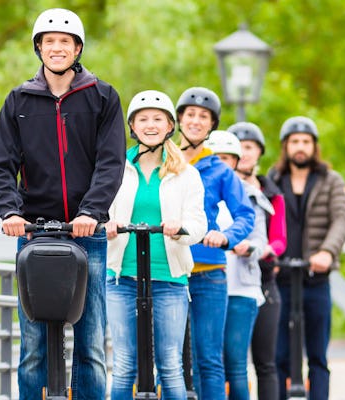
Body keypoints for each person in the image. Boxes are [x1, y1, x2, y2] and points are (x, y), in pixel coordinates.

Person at [0, 8, 126, 399]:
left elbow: (111, 163)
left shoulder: (103, 97)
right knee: (33, 346)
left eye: (65, 42)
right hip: (33, 234)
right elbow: (1, 166)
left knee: (92, 346)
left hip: (88, 234)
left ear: (77, 48)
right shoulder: (19, 100)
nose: (57, 48)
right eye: (49, 42)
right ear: (39, 48)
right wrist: (10, 212)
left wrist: (91, 212)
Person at [104, 90, 207, 400]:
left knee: (171, 365)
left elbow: (199, 223)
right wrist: (104, 224)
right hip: (122, 277)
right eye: (143, 119)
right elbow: (99, 210)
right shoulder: (116, 168)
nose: (150, 125)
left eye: (157, 119)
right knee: (123, 364)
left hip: (170, 277)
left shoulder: (186, 174)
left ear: (169, 126)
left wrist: (180, 230)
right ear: (132, 127)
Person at [176, 87, 256, 399]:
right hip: (166, 270)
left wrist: (226, 236)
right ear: (179, 119)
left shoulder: (220, 169)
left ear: (212, 125)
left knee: (208, 359)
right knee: (167, 360)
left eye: (204, 117)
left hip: (208, 272)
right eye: (191, 114)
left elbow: (245, 214)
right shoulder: (162, 161)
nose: (196, 121)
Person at [269, 116, 345, 400]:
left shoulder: (331, 180)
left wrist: (327, 252)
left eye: (306, 142)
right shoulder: (273, 180)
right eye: (295, 142)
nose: (300, 147)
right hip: (281, 279)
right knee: (277, 356)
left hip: (316, 279)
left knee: (317, 356)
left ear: (314, 146)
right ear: (286, 147)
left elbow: (341, 220)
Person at [206, 130, 269, 400]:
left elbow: (262, 241)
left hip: (240, 289)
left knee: (235, 362)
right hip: (206, 283)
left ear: (235, 161)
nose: (221, 163)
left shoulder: (249, 195)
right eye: (216, 157)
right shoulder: (196, 189)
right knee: (208, 360)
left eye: (227, 158)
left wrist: (248, 247)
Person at [229, 121, 286, 400]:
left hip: (262, 279)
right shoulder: (221, 189)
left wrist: (260, 250)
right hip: (229, 281)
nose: (244, 153)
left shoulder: (272, 194)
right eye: (238, 148)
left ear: (259, 153)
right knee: (231, 361)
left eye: (249, 147)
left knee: (265, 360)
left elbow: (279, 238)